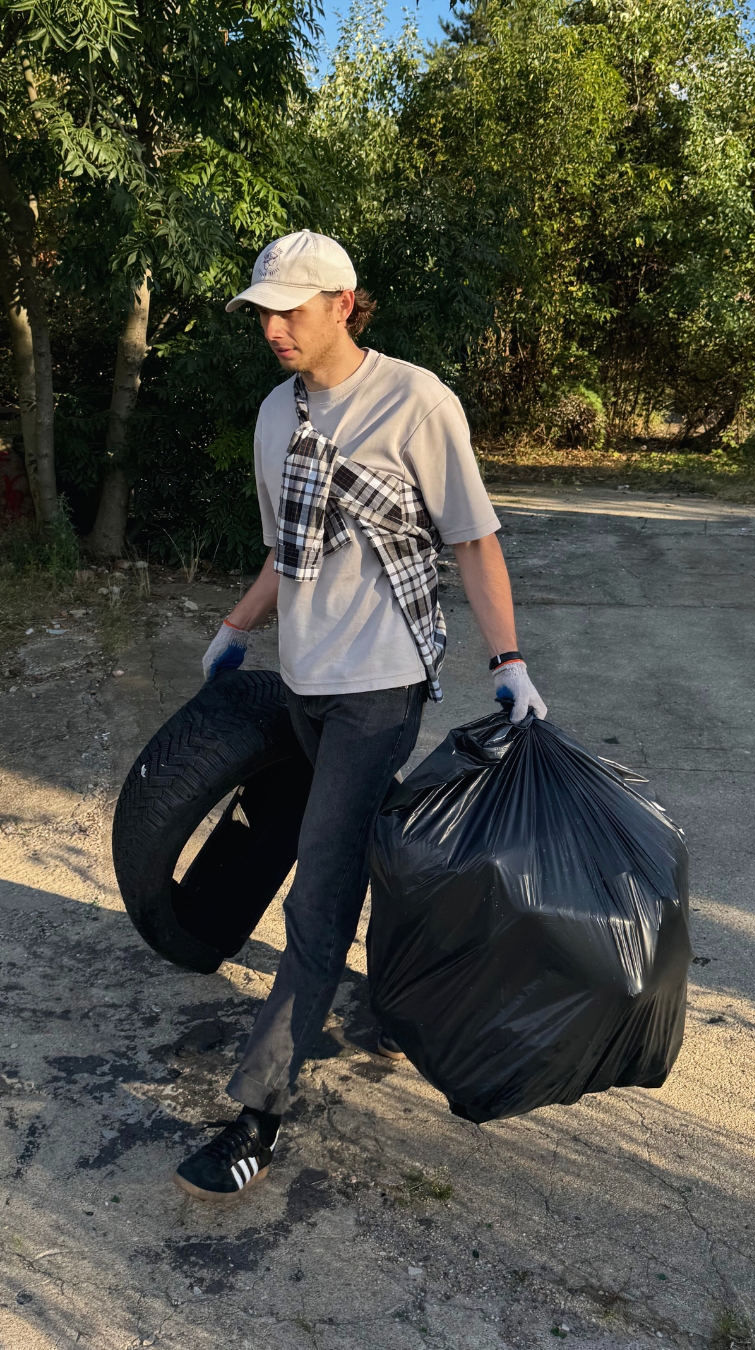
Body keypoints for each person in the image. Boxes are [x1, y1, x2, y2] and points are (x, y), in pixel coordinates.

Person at [173, 230, 546, 1202]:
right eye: (263, 312)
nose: (273, 328)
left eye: (290, 310)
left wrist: (507, 662)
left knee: (321, 888)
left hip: (382, 686)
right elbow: (285, 552)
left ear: (343, 303)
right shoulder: (275, 413)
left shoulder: (416, 401)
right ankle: (393, 1004)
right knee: (362, 845)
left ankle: (256, 1116)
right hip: (304, 679)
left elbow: (473, 542)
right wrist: (235, 628)